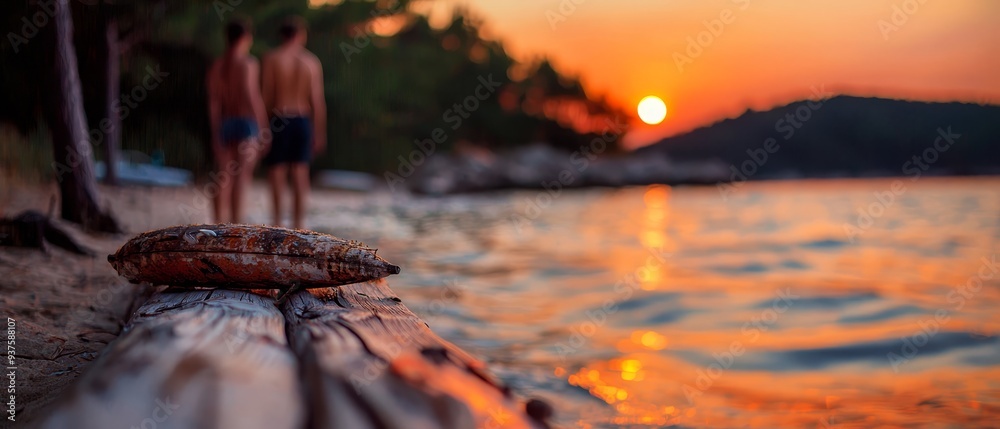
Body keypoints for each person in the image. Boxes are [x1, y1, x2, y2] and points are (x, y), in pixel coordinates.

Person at [261, 16, 327, 229]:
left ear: (282, 35)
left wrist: (263, 126)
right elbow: (317, 102)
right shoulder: (311, 61)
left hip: (279, 118)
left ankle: (278, 223)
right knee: (300, 172)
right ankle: (299, 225)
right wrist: (319, 132)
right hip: (302, 120)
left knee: (277, 171)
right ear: (301, 35)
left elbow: (266, 96)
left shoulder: (272, 58)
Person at [206, 18, 269, 223]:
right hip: (245, 123)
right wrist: (263, 127)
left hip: (226, 122)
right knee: (241, 177)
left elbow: (213, 102)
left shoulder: (218, 65)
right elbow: (252, 96)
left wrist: (215, 131)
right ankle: (235, 223)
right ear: (245, 37)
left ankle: (218, 224)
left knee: (222, 176)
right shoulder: (248, 63)